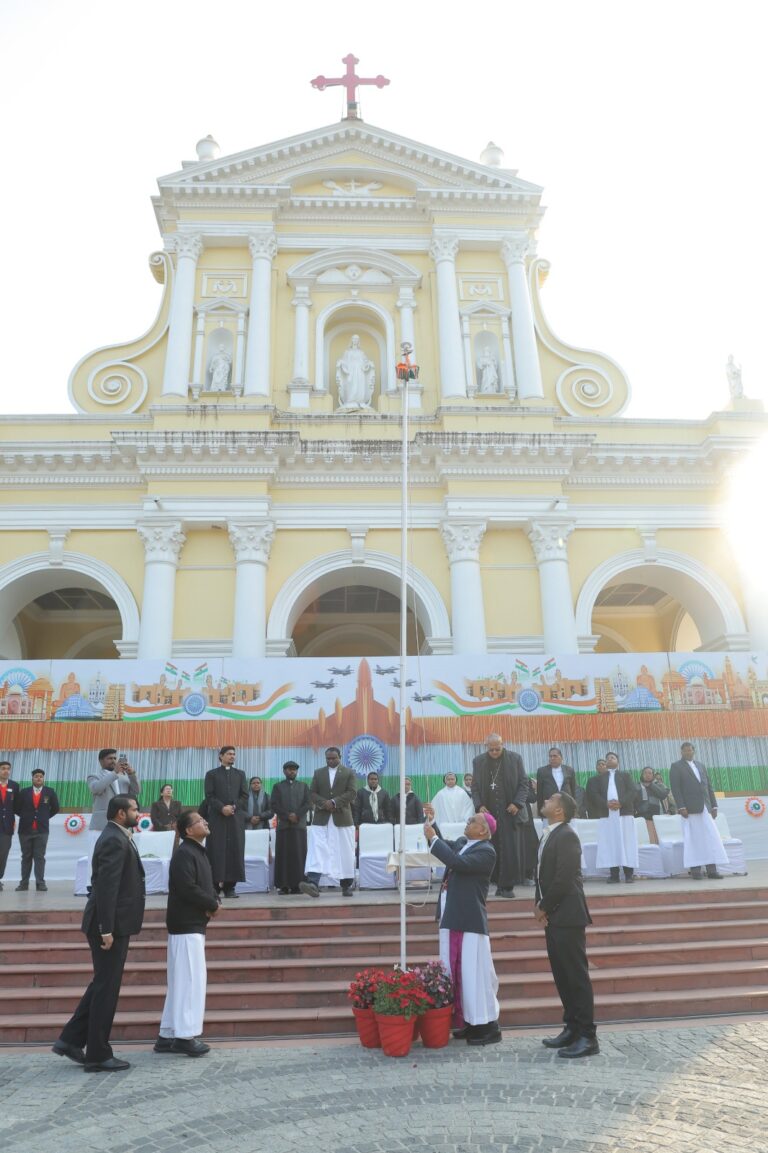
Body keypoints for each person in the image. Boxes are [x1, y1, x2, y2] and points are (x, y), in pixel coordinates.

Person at [53, 795, 145, 1071]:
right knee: (107, 989)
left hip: (113, 923)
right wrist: (106, 929)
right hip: (109, 926)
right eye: (134, 809)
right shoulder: (113, 841)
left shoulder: (117, 836)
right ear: (120, 813)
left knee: (102, 985)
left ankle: (70, 1040)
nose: (138, 813)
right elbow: (106, 888)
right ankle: (97, 1054)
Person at [424, 812, 501, 1046]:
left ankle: (487, 1027)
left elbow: (457, 863)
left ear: (484, 831)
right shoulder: (463, 843)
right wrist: (432, 823)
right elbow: (446, 846)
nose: (467, 822)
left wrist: (434, 840)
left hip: (470, 921)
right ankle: (468, 1021)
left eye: (473, 821)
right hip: (452, 915)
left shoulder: (486, 851)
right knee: (456, 972)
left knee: (475, 974)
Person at [535, 792, 598, 1059]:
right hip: (554, 915)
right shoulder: (550, 833)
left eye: (550, 800)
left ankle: (587, 1035)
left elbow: (563, 877)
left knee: (575, 976)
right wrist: (539, 904)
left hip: (568, 915)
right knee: (562, 976)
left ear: (559, 811)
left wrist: (544, 906)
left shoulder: (567, 835)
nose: (545, 801)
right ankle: (571, 1027)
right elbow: (541, 874)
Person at [154, 810, 219, 1058]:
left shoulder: (196, 851)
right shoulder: (184, 853)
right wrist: (211, 905)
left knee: (182, 981)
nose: (205, 821)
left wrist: (215, 899)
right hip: (186, 924)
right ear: (189, 830)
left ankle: (167, 1035)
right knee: (190, 980)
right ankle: (185, 1036)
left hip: (192, 924)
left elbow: (205, 884)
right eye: (200, 821)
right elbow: (187, 887)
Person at [471, 733, 530, 898]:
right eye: (491, 750)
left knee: (510, 850)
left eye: (498, 748)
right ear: (486, 747)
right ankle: (495, 883)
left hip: (510, 812)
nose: (495, 752)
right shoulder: (478, 761)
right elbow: (475, 787)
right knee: (491, 849)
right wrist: (479, 805)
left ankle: (507, 886)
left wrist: (517, 803)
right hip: (489, 813)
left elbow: (524, 783)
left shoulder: (515, 758)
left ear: (503, 745)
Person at [300, 747, 357, 899]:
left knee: (345, 851)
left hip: (342, 818)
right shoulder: (318, 773)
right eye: (328, 759)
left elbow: (352, 793)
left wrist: (334, 802)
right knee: (317, 849)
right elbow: (312, 793)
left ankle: (346, 885)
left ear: (340, 757)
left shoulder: (348, 772)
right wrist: (324, 803)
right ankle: (313, 883)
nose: (331, 761)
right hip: (321, 818)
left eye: (334, 758)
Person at [669, 742, 727, 880]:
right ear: (681, 752)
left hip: (705, 808)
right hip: (689, 810)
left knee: (710, 838)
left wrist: (714, 806)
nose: (688, 753)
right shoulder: (676, 766)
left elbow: (709, 787)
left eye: (690, 750)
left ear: (694, 751)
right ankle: (696, 871)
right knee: (693, 840)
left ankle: (712, 870)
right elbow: (676, 789)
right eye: (685, 751)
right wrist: (681, 807)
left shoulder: (701, 765)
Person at [585, 752, 638, 883]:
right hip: (607, 814)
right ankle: (614, 875)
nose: (609, 760)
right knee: (610, 844)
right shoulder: (600, 778)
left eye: (612, 757)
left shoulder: (625, 775)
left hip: (624, 813)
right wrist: (606, 804)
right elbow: (594, 795)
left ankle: (629, 875)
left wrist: (621, 803)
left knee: (626, 843)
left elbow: (633, 791)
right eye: (607, 758)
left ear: (618, 761)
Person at [204, 745, 248, 898]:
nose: (232, 756)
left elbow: (244, 795)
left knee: (235, 850)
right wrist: (222, 808)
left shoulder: (240, 774)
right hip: (217, 818)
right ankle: (214, 887)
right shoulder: (211, 774)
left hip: (235, 819)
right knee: (216, 850)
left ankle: (230, 887)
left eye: (234, 754)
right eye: (229, 754)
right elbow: (209, 796)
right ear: (221, 756)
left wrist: (234, 807)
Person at [14, 769, 59, 891]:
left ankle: (40, 883)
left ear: (43, 779)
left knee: (40, 857)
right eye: (36, 776)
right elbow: (16, 808)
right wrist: (26, 817)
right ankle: (24, 883)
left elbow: (55, 808)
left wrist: (43, 817)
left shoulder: (49, 792)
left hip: (42, 830)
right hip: (25, 830)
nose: (38, 778)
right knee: (26, 857)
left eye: (41, 777)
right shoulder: (24, 792)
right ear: (32, 778)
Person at [271, 761, 310, 895]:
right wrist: (287, 816)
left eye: (294, 770)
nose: (292, 772)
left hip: (299, 826)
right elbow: (274, 805)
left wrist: (297, 815)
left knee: (299, 856)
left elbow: (307, 804)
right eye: (289, 769)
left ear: (297, 772)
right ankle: (283, 886)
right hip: (284, 826)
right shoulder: (277, 787)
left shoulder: (304, 786)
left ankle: (298, 886)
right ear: (284, 771)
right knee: (284, 856)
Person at [87, 749, 140, 832]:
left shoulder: (124, 776)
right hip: (102, 824)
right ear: (101, 761)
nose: (113, 761)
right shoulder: (94, 776)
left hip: (124, 822)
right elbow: (96, 789)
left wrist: (132, 774)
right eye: (110, 758)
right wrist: (115, 772)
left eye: (115, 758)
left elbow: (136, 791)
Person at [336, 334, 375, 407]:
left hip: (360, 371)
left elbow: (365, 361)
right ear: (351, 340)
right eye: (354, 339)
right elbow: (344, 361)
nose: (355, 340)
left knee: (360, 384)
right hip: (350, 371)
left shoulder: (361, 352)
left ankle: (360, 401)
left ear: (358, 341)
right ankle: (350, 400)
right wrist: (341, 363)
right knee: (350, 384)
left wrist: (368, 364)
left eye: (357, 339)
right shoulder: (347, 352)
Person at [536, 748, 577, 817]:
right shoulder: (542, 771)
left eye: (555, 756)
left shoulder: (569, 770)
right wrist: (541, 811)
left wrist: (574, 810)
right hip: (550, 810)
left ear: (561, 757)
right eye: (550, 756)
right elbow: (539, 793)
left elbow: (573, 791)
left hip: (566, 810)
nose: (552, 758)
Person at [634, 767, 672, 840]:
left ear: (653, 776)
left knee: (659, 840)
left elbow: (663, 795)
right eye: (645, 773)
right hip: (641, 819)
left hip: (657, 818)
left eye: (650, 773)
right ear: (641, 775)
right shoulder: (636, 786)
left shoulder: (658, 785)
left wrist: (651, 785)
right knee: (645, 840)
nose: (647, 775)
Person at [0, 760, 20, 891]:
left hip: (7, 826)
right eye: (3, 768)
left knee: (3, 854)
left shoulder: (14, 786)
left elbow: (17, 806)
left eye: (8, 768)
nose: (6, 771)